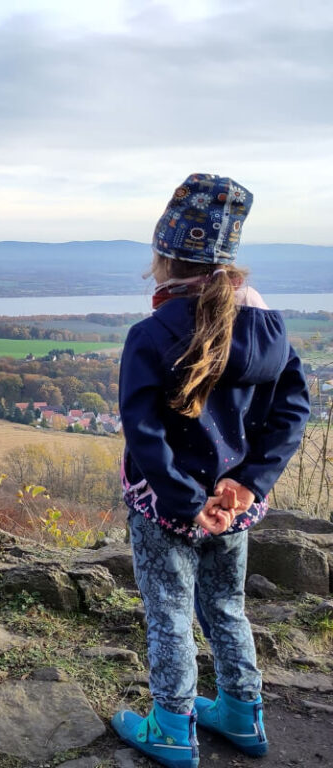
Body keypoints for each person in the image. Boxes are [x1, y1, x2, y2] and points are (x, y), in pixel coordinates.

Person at [112, 173, 310, 768]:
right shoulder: (269, 331)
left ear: (164, 259)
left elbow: (142, 430)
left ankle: (172, 727)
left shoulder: (152, 335)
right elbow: (294, 409)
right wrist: (248, 484)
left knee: (170, 611)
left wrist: (181, 498)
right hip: (234, 504)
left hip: (168, 507)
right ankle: (242, 715)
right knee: (226, 605)